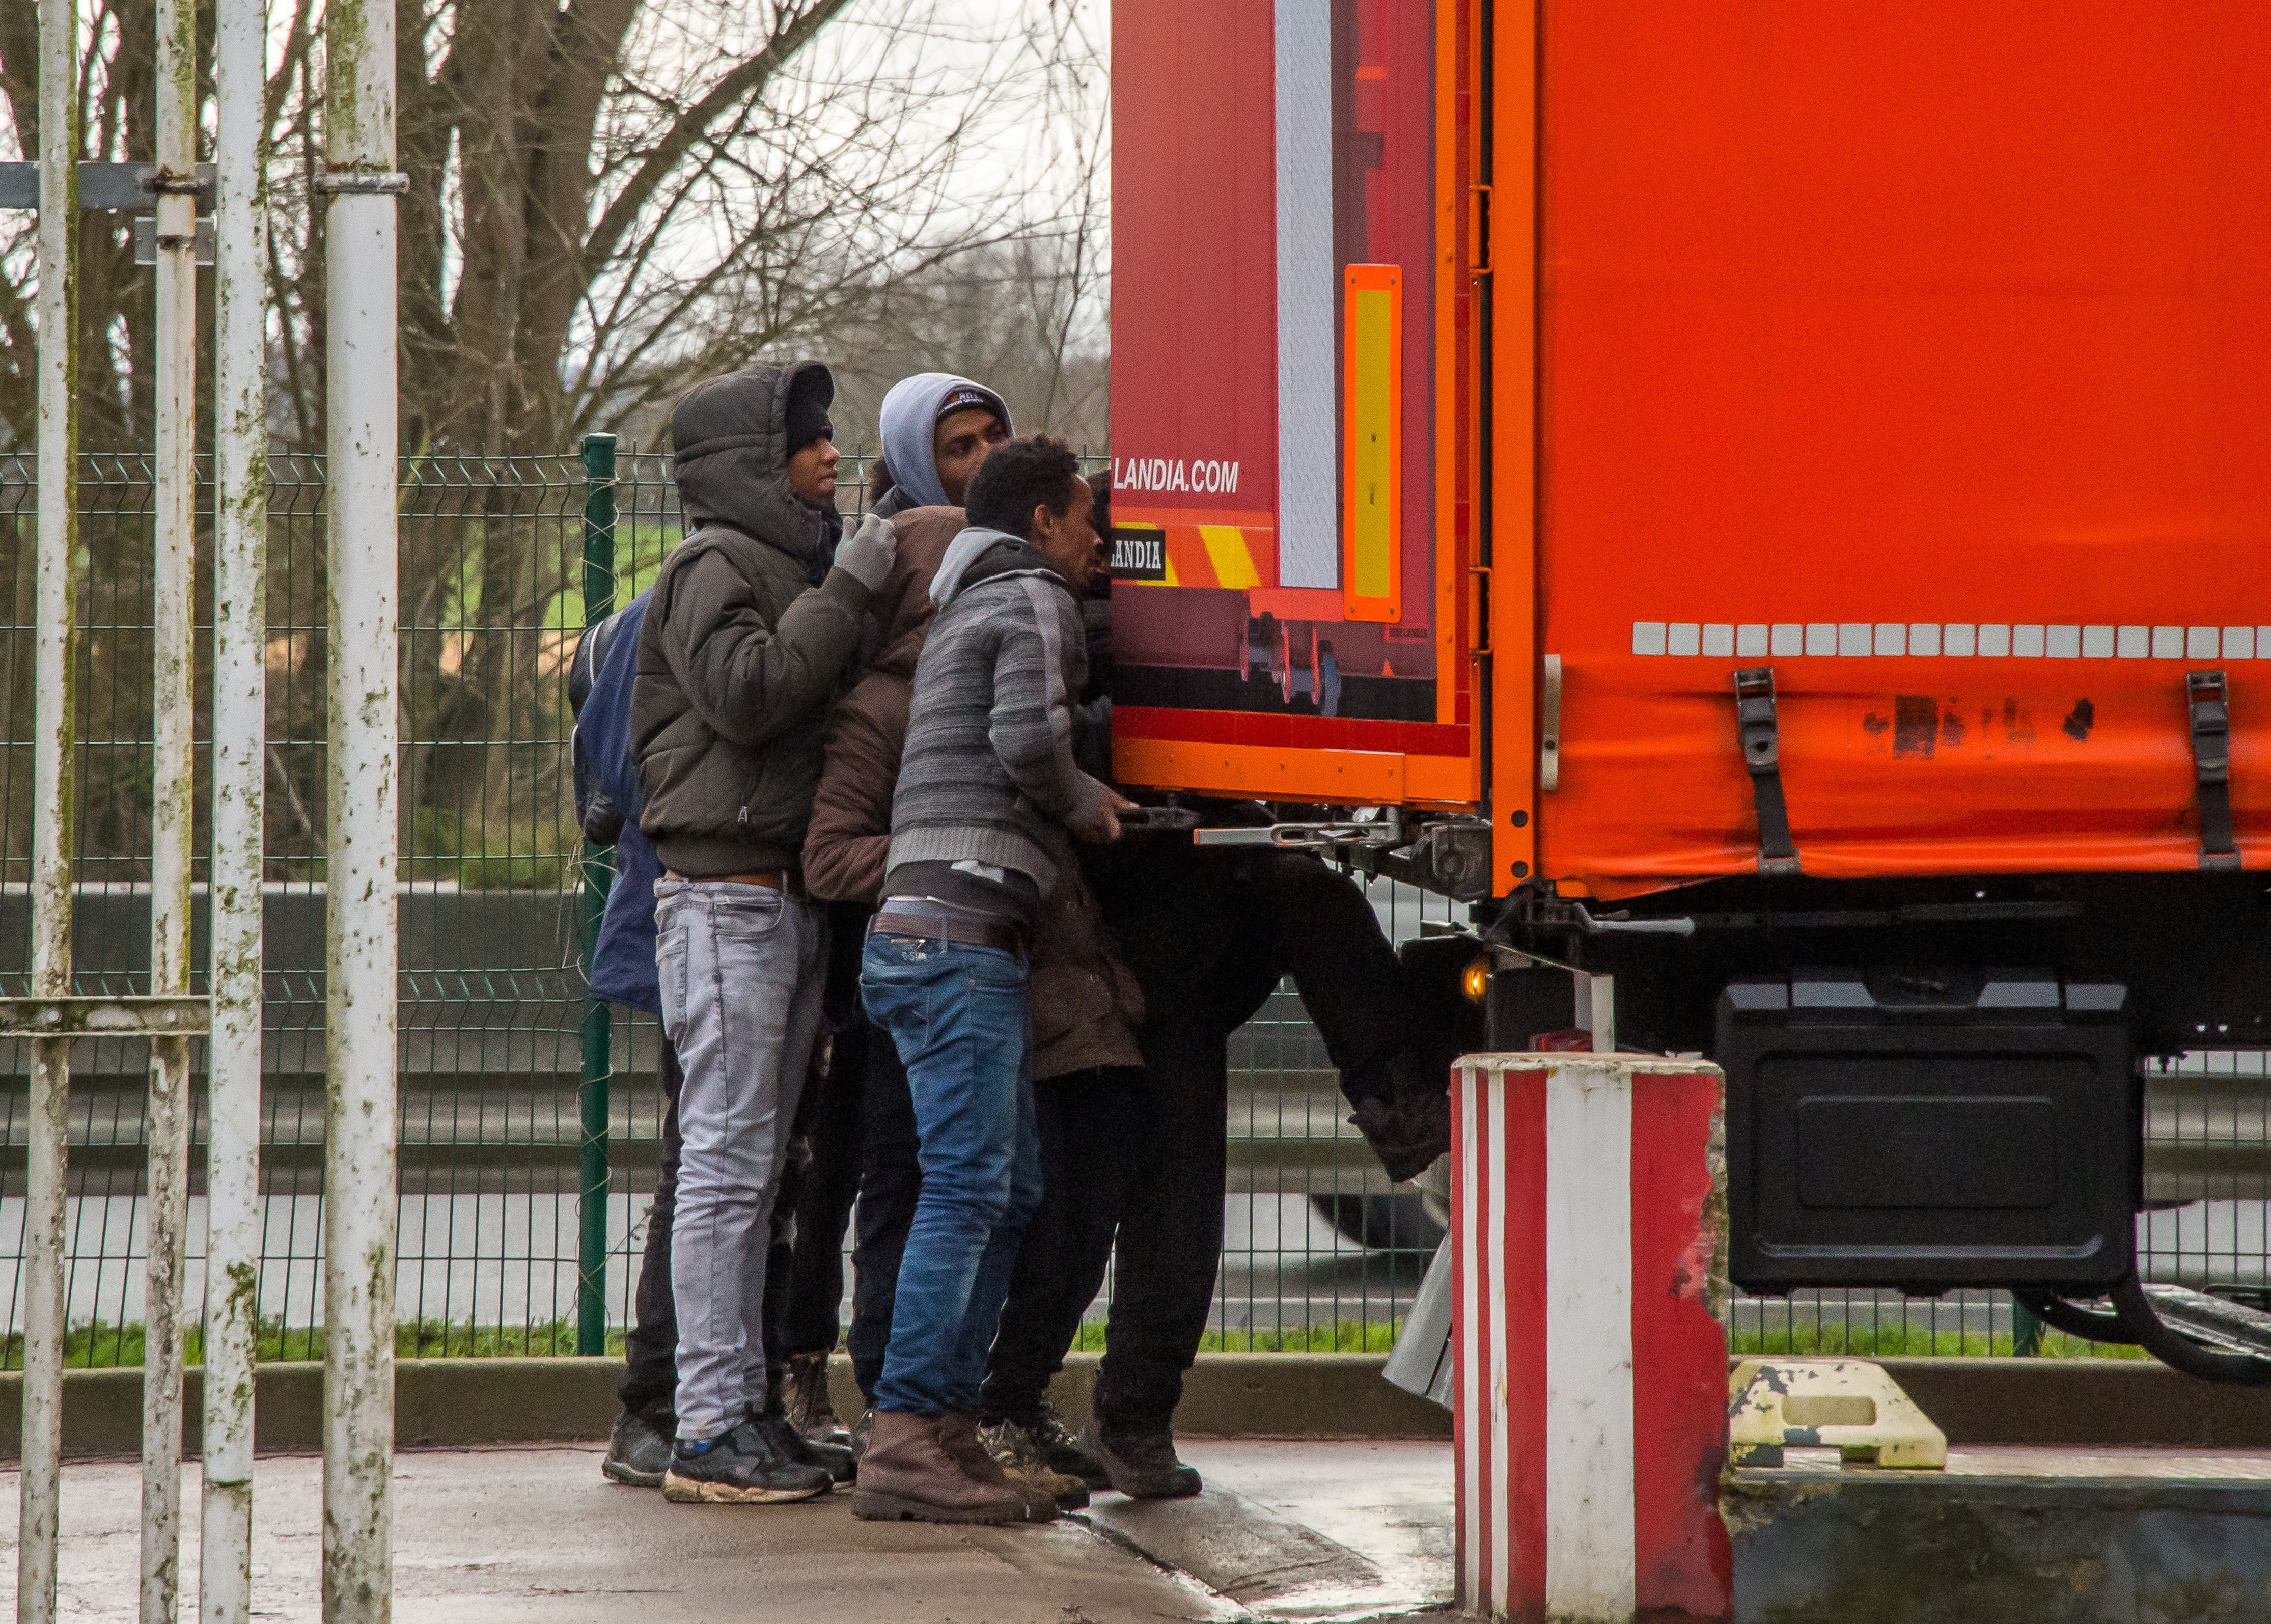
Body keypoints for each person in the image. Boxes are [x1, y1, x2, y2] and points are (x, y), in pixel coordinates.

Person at [802, 482, 1141, 1517]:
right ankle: (909, 1432)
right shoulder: (1028, 596)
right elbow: (1030, 739)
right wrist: (1086, 801)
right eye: (1088, 517)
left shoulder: (957, 608)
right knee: (967, 1187)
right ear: (1042, 519)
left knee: (1001, 1183)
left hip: (921, 937)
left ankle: (943, 1428)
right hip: (959, 940)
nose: (1100, 540)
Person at [631, 358, 897, 1504]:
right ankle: (704, 1427)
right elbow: (747, 693)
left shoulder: (777, 565)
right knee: (729, 1172)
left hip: (778, 900)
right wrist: (850, 590)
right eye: (808, 438)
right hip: (726, 901)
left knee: (757, 1172)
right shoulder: (712, 566)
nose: (830, 452)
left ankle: (734, 1408)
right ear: (754, 463)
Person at [770, 370, 1016, 1446]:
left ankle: (926, 1395)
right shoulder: (880, 676)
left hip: (951, 953)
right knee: (876, 1176)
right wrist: (937, 864)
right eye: (956, 448)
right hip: (885, 964)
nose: (977, 468)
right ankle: (856, 1384)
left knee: (954, 1180)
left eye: (990, 444)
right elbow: (832, 849)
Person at [865, 373, 1013, 518]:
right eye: (963, 449)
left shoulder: (1027, 517)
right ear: (919, 469)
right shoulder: (893, 539)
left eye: (996, 436)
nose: (990, 455)